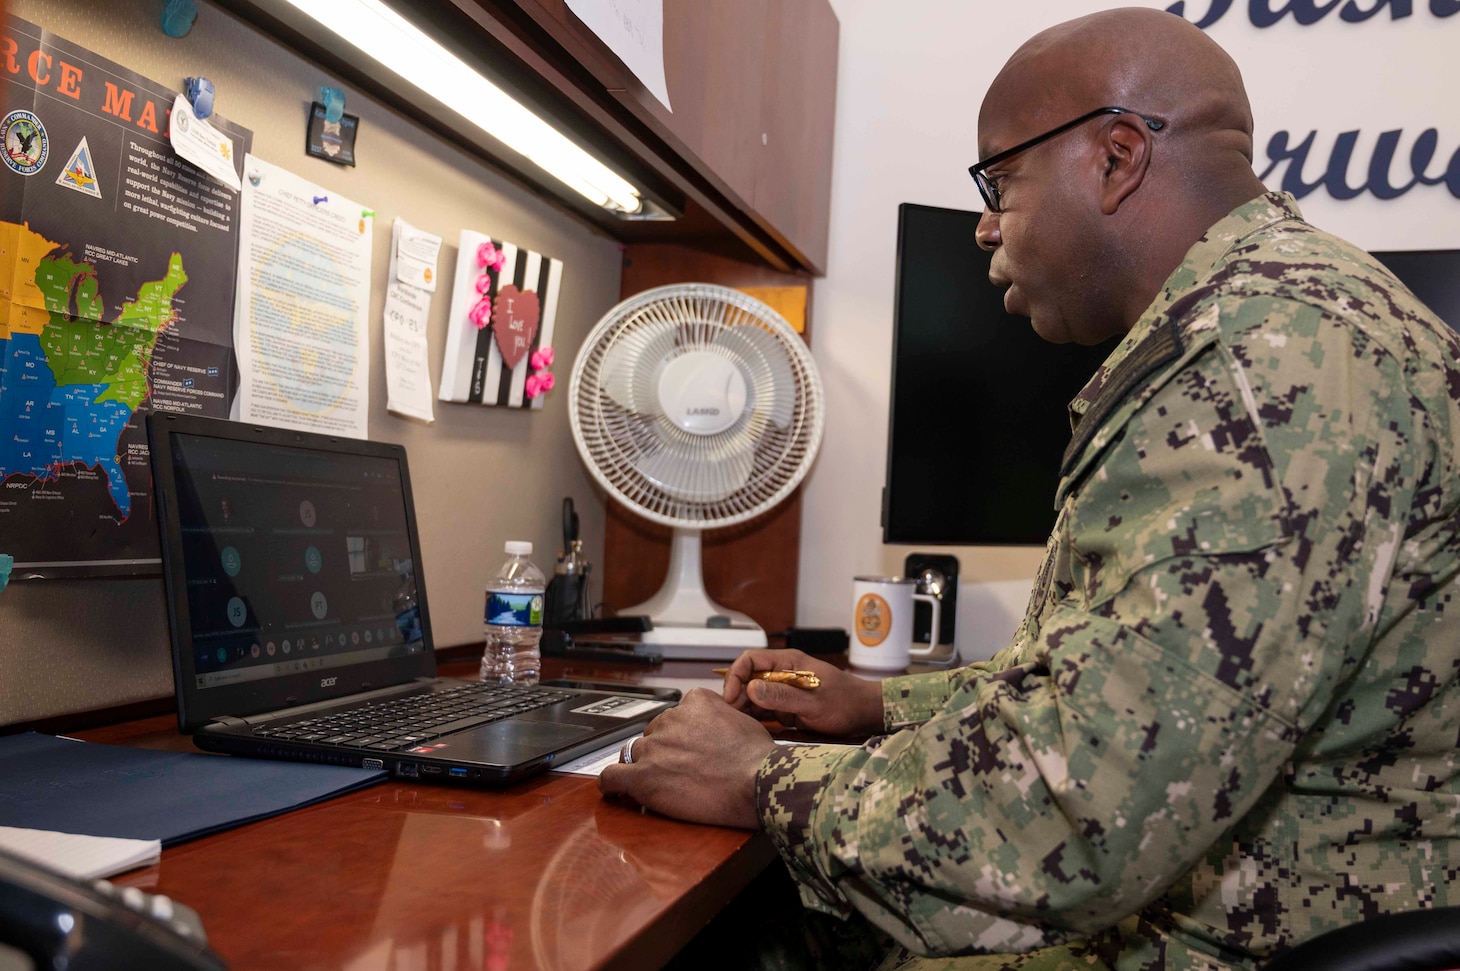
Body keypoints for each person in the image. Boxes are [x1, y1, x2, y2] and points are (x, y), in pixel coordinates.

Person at [601, 7, 1460, 969]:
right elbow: (1126, 684)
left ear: (1116, 157)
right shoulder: (1280, 317)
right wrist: (882, 709)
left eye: (1000, 181)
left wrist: (761, 778)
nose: (984, 224)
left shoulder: (1263, 363)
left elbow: (1080, 815)